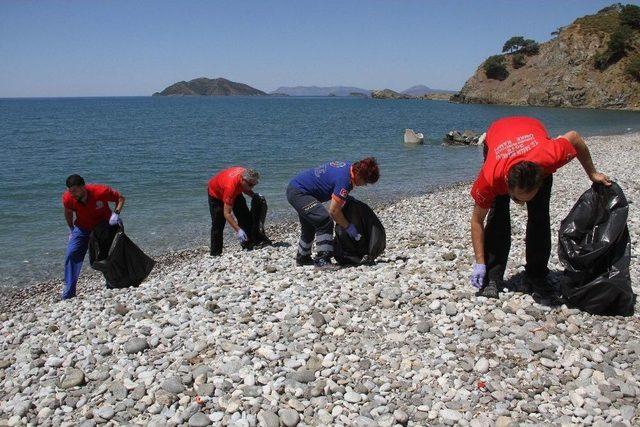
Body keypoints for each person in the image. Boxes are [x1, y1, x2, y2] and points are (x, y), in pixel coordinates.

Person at [469, 116, 611, 300]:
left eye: (528, 197)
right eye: (517, 198)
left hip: (532, 135)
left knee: (539, 217)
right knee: (498, 217)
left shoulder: (549, 158)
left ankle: (537, 274)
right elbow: (476, 220)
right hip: (498, 135)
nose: (521, 203)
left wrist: (592, 173)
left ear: (541, 178)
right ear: (507, 184)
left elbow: (575, 138)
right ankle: (493, 278)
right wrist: (480, 263)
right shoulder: (490, 178)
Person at [287, 158, 380, 269]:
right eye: (366, 182)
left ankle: (303, 257)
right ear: (360, 175)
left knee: (310, 225)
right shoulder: (345, 181)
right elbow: (334, 211)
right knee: (324, 220)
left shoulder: (348, 168)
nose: (364, 185)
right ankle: (322, 259)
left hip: (295, 188)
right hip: (299, 193)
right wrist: (349, 228)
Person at [62, 174, 125, 300]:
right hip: (82, 227)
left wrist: (116, 214)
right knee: (71, 253)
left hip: (104, 225)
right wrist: (71, 230)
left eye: (74, 191)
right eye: (70, 191)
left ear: (83, 187)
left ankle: (112, 283)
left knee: (105, 255)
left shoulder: (100, 191)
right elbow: (68, 213)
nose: (72, 194)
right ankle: (69, 293)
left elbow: (120, 198)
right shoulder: (68, 198)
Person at [207, 167, 260, 256]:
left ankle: (248, 244)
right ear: (243, 180)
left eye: (255, 184)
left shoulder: (246, 175)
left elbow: (245, 188)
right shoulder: (230, 187)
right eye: (251, 185)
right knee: (218, 223)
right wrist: (238, 230)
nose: (252, 187)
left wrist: (253, 195)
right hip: (216, 194)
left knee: (245, 216)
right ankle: (215, 254)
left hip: (235, 190)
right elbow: (227, 213)